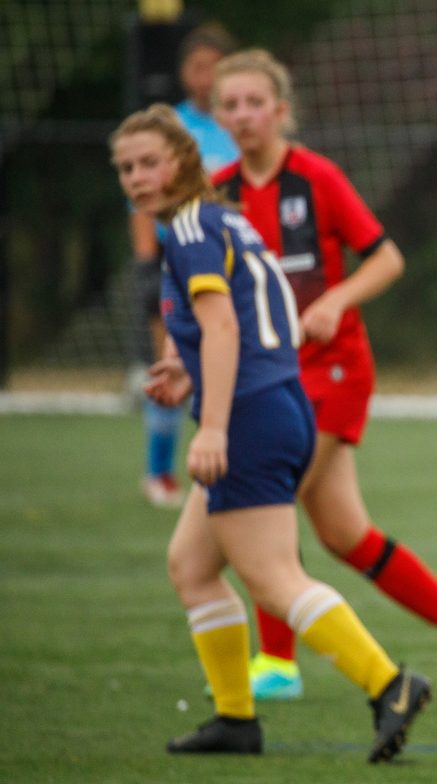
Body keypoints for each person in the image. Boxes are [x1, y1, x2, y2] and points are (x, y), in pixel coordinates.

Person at [112, 104, 431, 761]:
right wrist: (184, 365)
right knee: (193, 567)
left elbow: (227, 328)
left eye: (149, 162)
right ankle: (235, 719)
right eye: (125, 168)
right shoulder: (224, 217)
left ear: (182, 162)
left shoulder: (193, 229)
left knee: (274, 578)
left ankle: (390, 685)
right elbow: (267, 310)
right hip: (276, 402)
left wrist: (215, 426)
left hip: (251, 416)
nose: (137, 177)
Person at [209, 49, 437, 703]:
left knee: (265, 499)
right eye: (229, 104)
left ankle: (278, 661)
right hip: (272, 379)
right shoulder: (220, 192)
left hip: (335, 370)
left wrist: (337, 299)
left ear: (281, 111)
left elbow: (386, 258)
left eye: (254, 102)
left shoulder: (316, 178)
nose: (241, 115)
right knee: (344, 534)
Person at [129, 24, 238, 508]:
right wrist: (145, 263)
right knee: (171, 364)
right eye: (197, 67)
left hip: (226, 267)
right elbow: (140, 203)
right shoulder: (172, 126)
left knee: (225, 363)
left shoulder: (239, 123)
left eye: (214, 67)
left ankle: (221, 462)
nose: (205, 76)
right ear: (184, 73)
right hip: (176, 266)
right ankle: (158, 471)